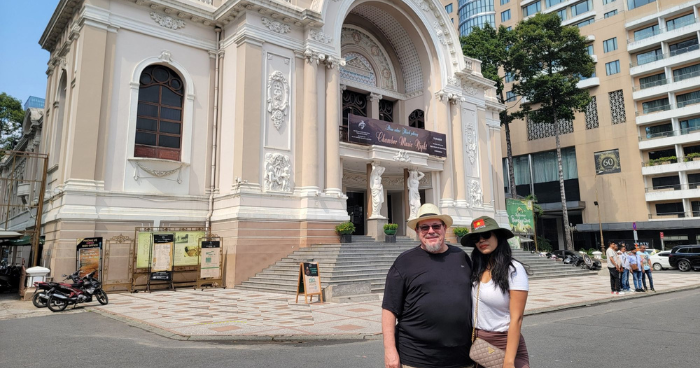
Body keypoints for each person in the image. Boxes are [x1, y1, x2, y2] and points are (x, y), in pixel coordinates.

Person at [382, 204, 473, 368]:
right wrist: (390, 351)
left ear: (444, 228)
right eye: (424, 227)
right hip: (417, 358)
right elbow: (389, 309)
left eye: (436, 226)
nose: (431, 231)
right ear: (417, 231)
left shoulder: (461, 257)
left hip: (461, 357)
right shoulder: (404, 262)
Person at [463, 216, 530, 368]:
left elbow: (517, 318)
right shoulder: (476, 269)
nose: (481, 240)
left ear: (498, 236)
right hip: (479, 343)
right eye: (476, 238)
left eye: (486, 235)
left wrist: (509, 360)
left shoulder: (513, 270)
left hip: (505, 343)